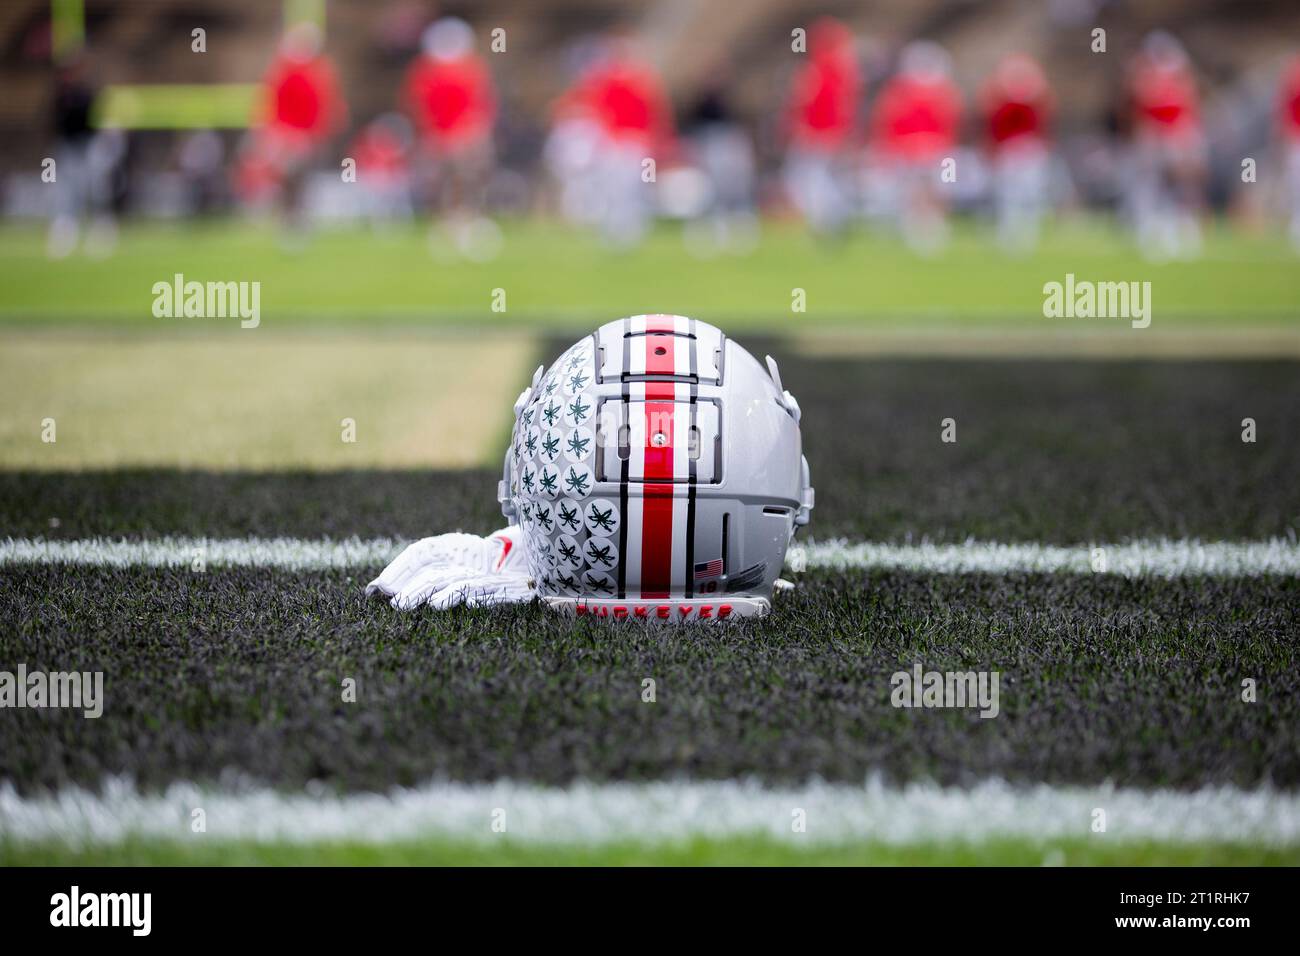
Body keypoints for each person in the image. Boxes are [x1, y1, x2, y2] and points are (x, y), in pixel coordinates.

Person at [551, 37, 675, 248]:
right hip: (615, 143)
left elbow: (653, 114)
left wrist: (656, 140)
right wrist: (607, 138)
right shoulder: (608, 82)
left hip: (637, 142)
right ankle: (614, 227)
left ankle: (631, 227)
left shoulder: (643, 82)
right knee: (614, 188)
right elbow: (600, 112)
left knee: (634, 187)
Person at [402, 17, 498, 257]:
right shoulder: (426, 72)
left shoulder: (472, 69)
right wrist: (437, 136)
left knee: (469, 180)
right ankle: (447, 226)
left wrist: (472, 132)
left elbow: (481, 105)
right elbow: (420, 106)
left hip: (466, 137)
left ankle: (468, 223)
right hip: (440, 138)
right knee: (444, 183)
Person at [869, 41, 963, 253]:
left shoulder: (943, 93)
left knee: (937, 190)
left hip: (935, 150)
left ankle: (933, 228)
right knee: (911, 192)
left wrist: (935, 144)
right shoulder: (899, 94)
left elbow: (948, 123)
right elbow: (889, 122)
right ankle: (913, 229)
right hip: (907, 151)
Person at [257, 22, 347, 242]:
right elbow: (273, 104)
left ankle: (299, 219)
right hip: (286, 135)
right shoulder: (283, 71)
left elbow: (324, 106)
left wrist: (314, 134)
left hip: (307, 137)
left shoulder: (319, 73)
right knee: (286, 176)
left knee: (303, 178)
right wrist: (278, 134)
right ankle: (287, 218)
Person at [1125, 31, 1205, 259]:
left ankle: (1185, 232)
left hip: (1174, 139)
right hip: (1154, 140)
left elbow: (1186, 111)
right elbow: (1141, 107)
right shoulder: (1146, 77)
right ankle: (1152, 232)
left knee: (1180, 189)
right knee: (1150, 189)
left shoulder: (1179, 80)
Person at [782, 17, 860, 235]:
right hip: (829, 135)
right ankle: (830, 219)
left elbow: (805, 103)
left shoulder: (820, 70)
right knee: (821, 179)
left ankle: (826, 220)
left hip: (816, 136)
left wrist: (801, 128)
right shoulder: (844, 72)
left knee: (808, 180)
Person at [981, 53, 1054, 251]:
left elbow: (1042, 107)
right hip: (1008, 149)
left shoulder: (1035, 95)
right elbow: (993, 118)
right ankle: (1009, 232)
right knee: (1008, 194)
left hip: (1029, 149)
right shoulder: (1000, 97)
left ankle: (1029, 232)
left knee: (1030, 193)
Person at [1278, 54, 1300, 250]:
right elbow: (1287, 108)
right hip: (1296, 137)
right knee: (1295, 181)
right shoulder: (1294, 75)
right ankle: (1296, 219)